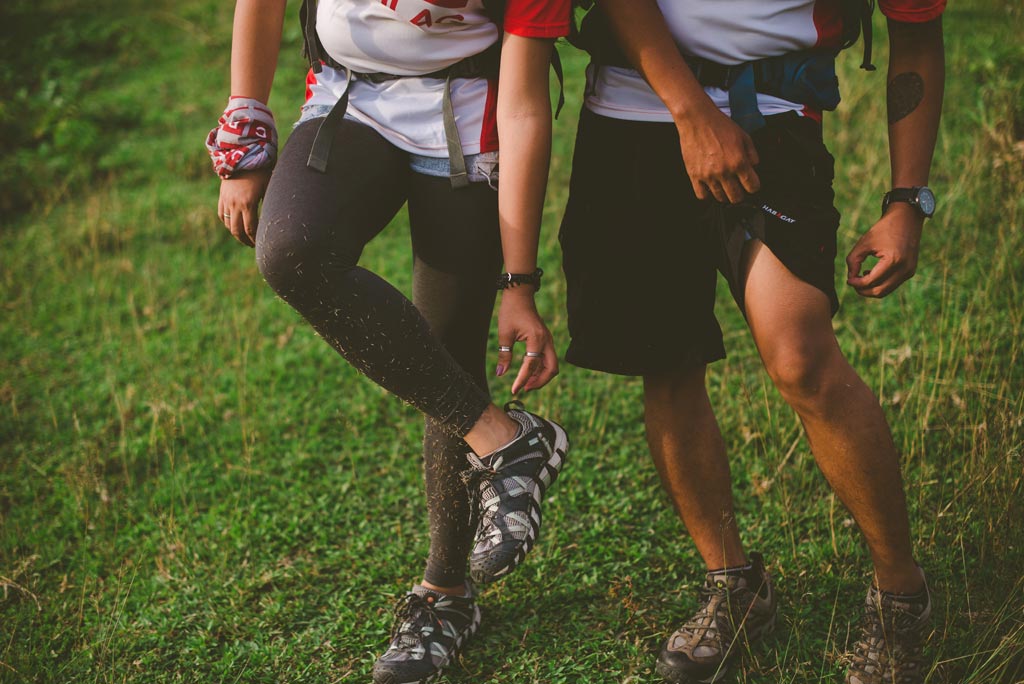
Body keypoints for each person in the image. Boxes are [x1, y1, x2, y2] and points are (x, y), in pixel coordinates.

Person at [559, 0, 944, 682]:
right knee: (666, 360)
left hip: (773, 111)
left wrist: (906, 199)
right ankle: (732, 583)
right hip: (631, 109)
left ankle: (900, 595)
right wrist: (691, 113)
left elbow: (916, 35)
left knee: (801, 359)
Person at [205, 0, 571, 681]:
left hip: (468, 115)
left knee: (449, 347)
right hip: (348, 102)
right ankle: (505, 439)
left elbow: (523, 107)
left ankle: (445, 596)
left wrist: (518, 283)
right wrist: (245, 128)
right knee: (291, 252)